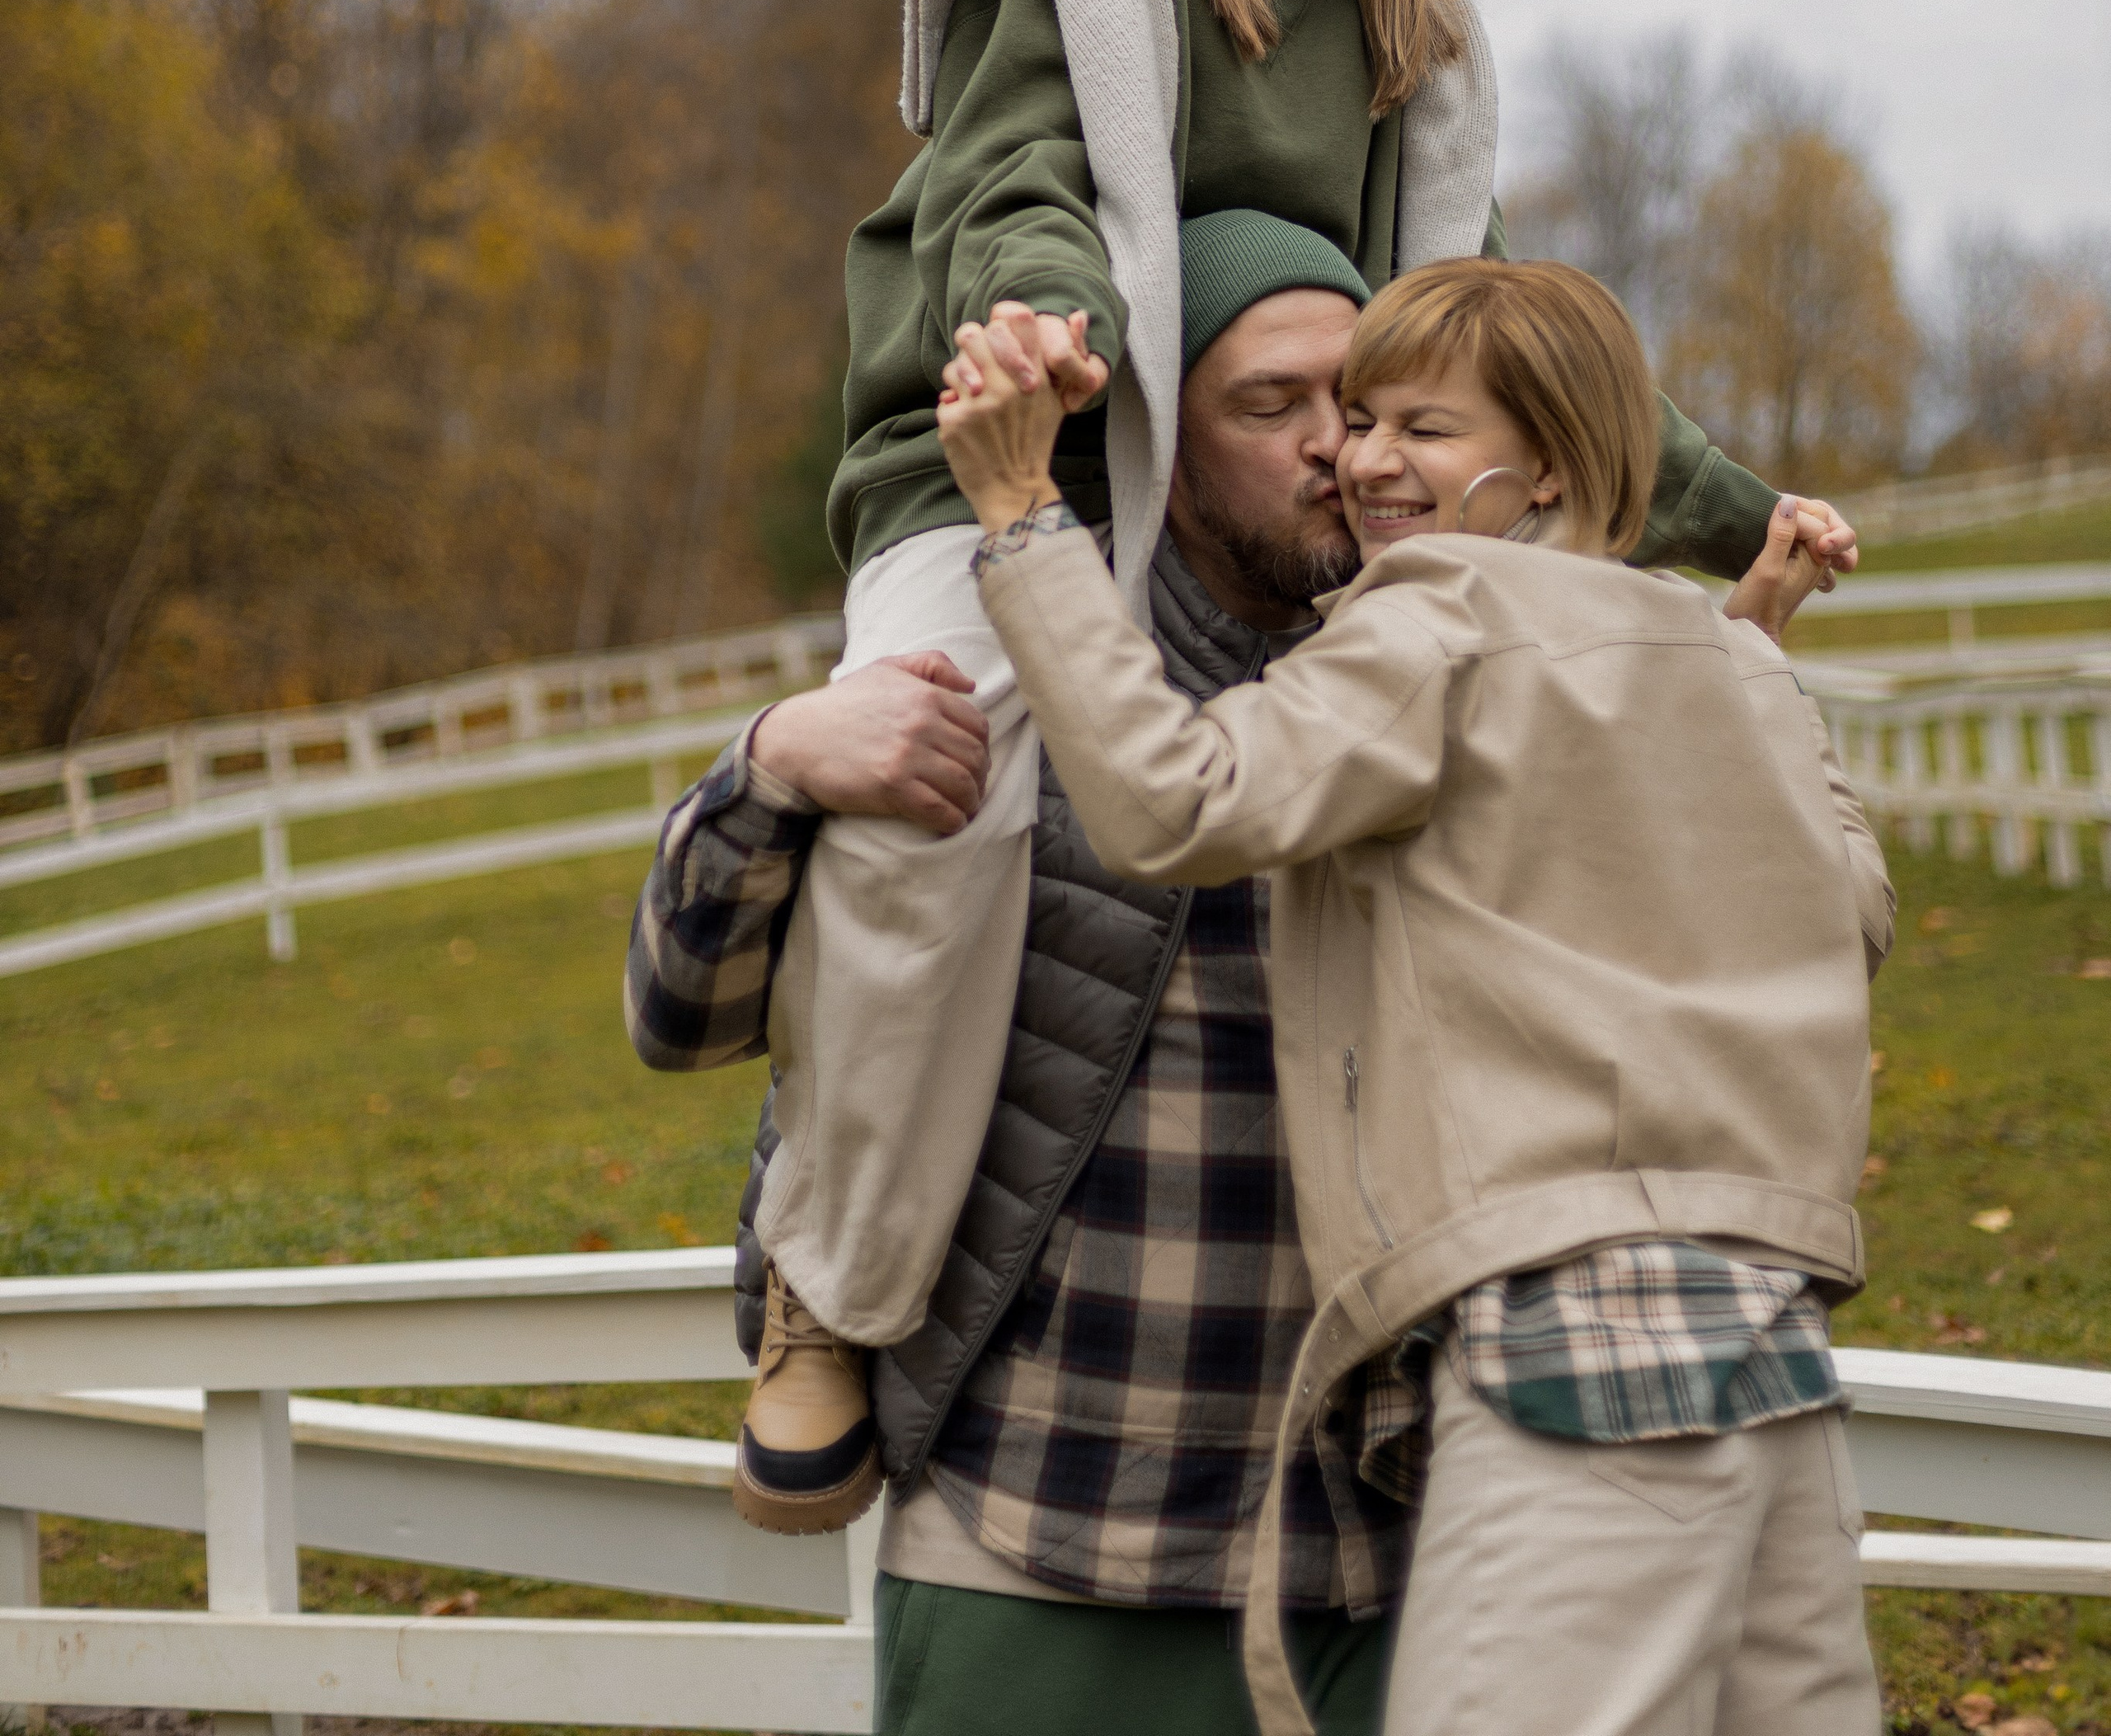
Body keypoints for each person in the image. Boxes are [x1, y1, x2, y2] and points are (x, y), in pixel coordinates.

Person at [728, 0, 1839, 1527]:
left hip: (1284, 470)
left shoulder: (1412, 13)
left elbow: (1493, 336)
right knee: (945, 791)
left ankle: (1427, 1329)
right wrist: (1044, 323)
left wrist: (1729, 512)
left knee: (1456, 779)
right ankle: (830, 1283)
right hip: (1007, 418)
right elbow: (1009, 168)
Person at [626, 220, 1861, 1736]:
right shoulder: (1014, 685)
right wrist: (767, 772)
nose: (1343, 454)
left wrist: (1712, 666)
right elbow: (676, 1016)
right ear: (1155, 436)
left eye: (1378, 407)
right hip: (1047, 1527)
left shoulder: (1484, 656)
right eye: (1274, 410)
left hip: (1401, 1537)